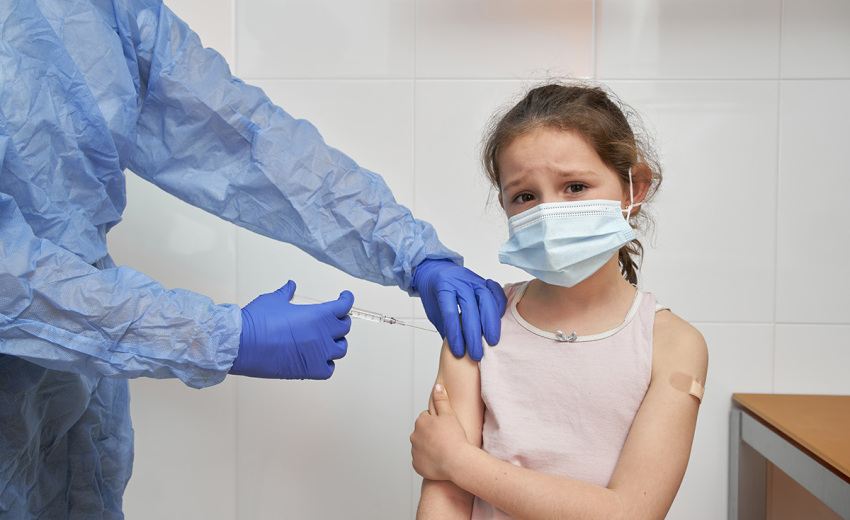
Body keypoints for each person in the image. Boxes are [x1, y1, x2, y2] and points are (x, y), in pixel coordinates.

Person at [0, 0, 507, 518]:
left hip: (71, 375)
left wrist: (410, 251)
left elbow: (243, 136)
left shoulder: (98, 12)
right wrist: (224, 336)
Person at [410, 82, 709, 519]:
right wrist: (448, 468)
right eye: (525, 196)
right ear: (505, 205)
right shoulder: (481, 320)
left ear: (633, 188)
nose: (549, 214)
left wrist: (458, 461)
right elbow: (444, 503)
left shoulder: (673, 345)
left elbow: (629, 513)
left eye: (574, 187)